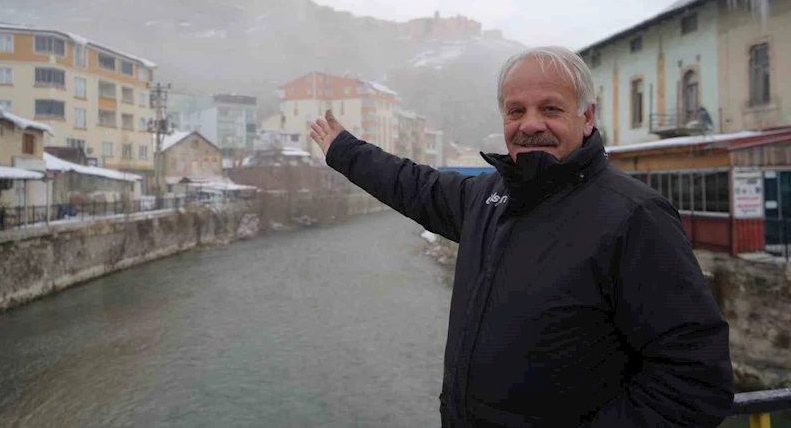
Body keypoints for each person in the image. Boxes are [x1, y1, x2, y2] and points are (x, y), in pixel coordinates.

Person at [310, 46, 734, 428]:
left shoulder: (634, 217)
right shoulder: (487, 197)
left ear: (587, 117)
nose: (531, 124)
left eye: (550, 108)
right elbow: (413, 184)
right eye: (516, 111)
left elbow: (693, 379)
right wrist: (343, 150)